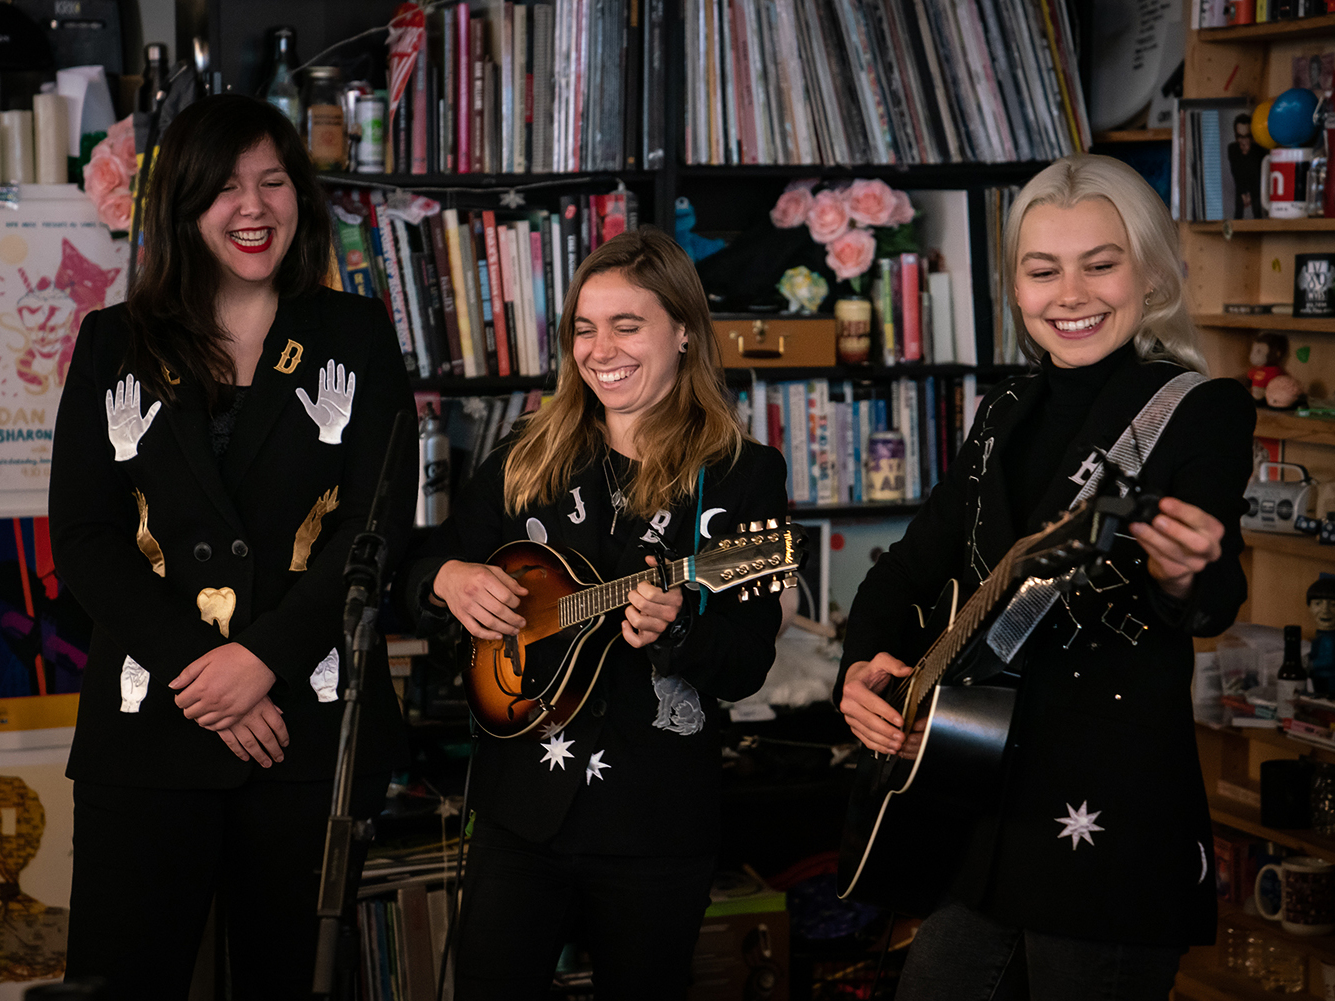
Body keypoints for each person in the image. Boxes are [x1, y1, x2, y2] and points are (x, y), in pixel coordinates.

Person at [835, 154, 1255, 998]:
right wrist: (864, 667)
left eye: (1099, 263)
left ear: (1149, 272)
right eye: (1042, 270)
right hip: (973, 804)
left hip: (1106, 823)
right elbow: (909, 566)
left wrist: (1180, 576)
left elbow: (1210, 599)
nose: (1071, 293)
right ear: (1016, 288)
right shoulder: (1001, 411)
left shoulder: (1199, 408)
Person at [48, 94, 415, 998]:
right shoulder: (113, 341)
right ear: (183, 206)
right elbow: (86, 538)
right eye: (223, 188)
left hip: (305, 731)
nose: (252, 208)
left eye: (272, 182)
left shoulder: (355, 334)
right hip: (147, 733)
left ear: (301, 196)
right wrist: (211, 676)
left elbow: (376, 525)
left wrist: (264, 659)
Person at [405, 227, 788, 999]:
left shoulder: (742, 475)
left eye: (626, 324)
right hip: (519, 809)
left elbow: (747, 663)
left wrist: (678, 628)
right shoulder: (527, 453)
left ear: (682, 330)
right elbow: (414, 565)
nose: (599, 347)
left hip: (653, 821)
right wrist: (447, 577)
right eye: (584, 327)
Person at [1228, 114, 1266, 219]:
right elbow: (1236, 171)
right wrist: (1243, 192)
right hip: (1241, 186)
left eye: (1247, 136)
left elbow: (1258, 175)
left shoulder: (1259, 150)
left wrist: (1250, 194)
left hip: (1256, 188)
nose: (1243, 141)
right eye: (1240, 137)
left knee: (1258, 213)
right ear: (1236, 136)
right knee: (1238, 215)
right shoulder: (1232, 149)